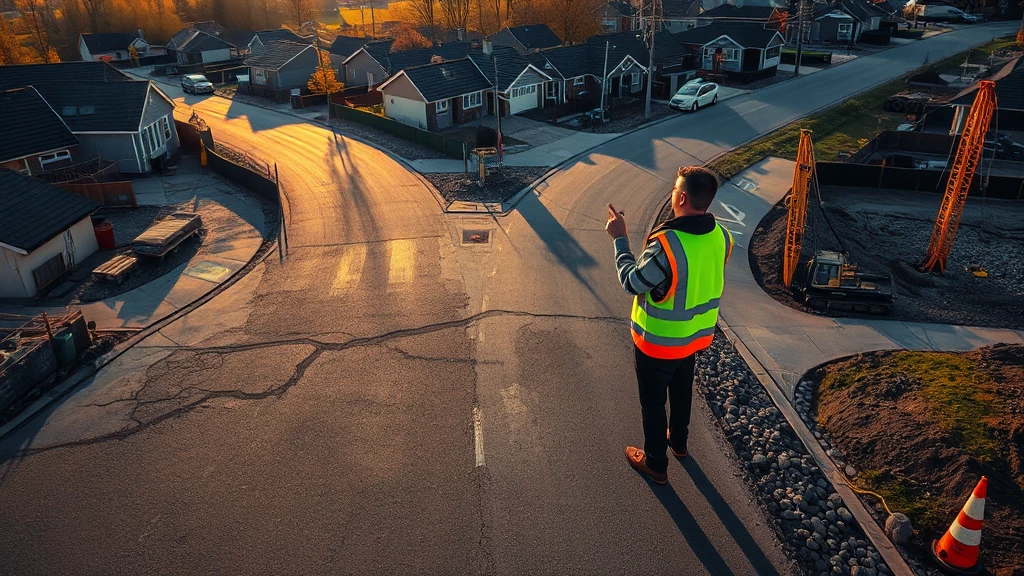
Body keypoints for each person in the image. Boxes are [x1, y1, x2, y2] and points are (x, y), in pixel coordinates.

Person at [605, 166, 733, 485]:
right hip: (693, 338)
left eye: (675, 190)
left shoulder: (668, 244)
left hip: (659, 343)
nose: (673, 194)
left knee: (652, 403)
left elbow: (633, 282)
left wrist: (620, 238)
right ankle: (678, 443)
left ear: (683, 197)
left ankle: (656, 463)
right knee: (681, 391)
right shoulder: (722, 236)